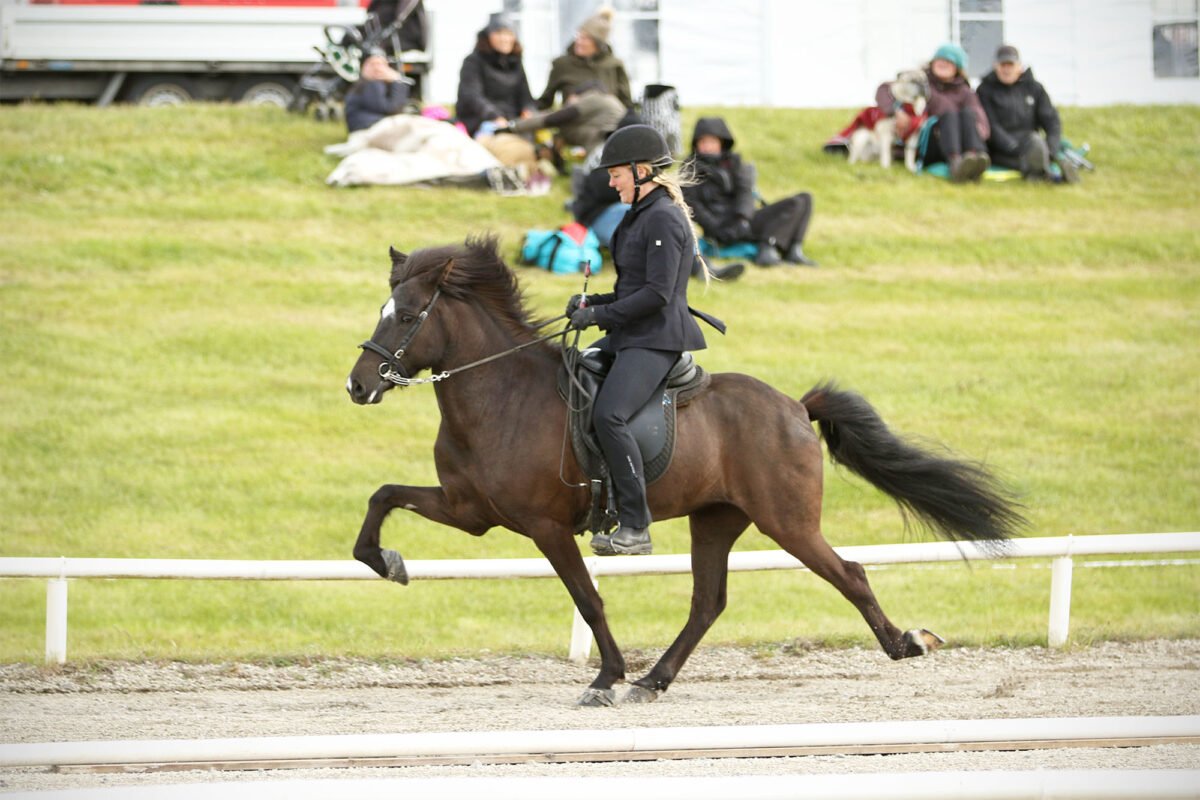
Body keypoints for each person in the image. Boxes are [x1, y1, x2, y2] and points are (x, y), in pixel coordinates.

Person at [564, 125, 723, 556]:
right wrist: (590, 301)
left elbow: (655, 296)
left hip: (655, 337)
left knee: (610, 415)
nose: (611, 182)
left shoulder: (662, 218)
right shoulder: (639, 214)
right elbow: (631, 287)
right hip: (630, 332)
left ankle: (635, 525)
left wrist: (597, 315)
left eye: (616, 174)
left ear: (642, 170)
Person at [682, 117, 817, 267]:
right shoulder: (689, 169)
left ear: (721, 142)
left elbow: (744, 191)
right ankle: (767, 249)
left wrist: (742, 218)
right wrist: (718, 229)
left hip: (744, 220)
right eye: (704, 142)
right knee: (794, 204)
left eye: (712, 142)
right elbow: (693, 206)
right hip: (721, 228)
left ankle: (793, 249)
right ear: (696, 144)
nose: (708, 147)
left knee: (805, 198)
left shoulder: (734, 162)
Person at [976, 44, 1077, 183]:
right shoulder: (984, 90)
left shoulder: (1035, 88)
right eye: (1002, 65)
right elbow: (991, 125)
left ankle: (1043, 171)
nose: (1006, 69)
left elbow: (1052, 122)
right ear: (995, 66)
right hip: (1001, 148)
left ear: (1019, 66)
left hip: (1031, 143)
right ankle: (1054, 178)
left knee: (1035, 144)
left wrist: (1051, 151)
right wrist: (1013, 147)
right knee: (1031, 152)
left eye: (1010, 64)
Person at [901, 43, 991, 182]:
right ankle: (955, 163)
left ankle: (975, 158)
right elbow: (887, 89)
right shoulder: (922, 83)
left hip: (961, 140)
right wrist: (894, 112)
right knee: (949, 116)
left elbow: (979, 117)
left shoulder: (965, 91)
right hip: (931, 141)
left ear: (957, 68)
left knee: (968, 114)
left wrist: (974, 130)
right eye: (940, 60)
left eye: (949, 62)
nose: (943, 64)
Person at [455, 13, 537, 139]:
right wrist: (495, 117)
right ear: (488, 36)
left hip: (512, 121)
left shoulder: (516, 63)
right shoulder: (473, 61)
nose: (505, 39)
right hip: (480, 121)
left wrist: (528, 111)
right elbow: (472, 96)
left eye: (509, 34)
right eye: (499, 33)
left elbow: (526, 96)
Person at [535, 7, 633, 111]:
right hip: (573, 124)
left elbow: (626, 104)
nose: (578, 41)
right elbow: (545, 101)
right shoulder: (562, 64)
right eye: (578, 36)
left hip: (610, 125)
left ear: (597, 43)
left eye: (585, 38)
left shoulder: (614, 65)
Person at [508, 80, 626, 155]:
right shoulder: (610, 100)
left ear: (576, 95)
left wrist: (514, 126)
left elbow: (554, 118)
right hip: (616, 144)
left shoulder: (591, 98)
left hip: (602, 145)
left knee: (563, 129)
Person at [343, 50, 411, 133]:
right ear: (364, 67)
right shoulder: (371, 84)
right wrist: (397, 81)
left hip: (368, 127)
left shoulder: (364, 84)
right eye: (372, 64)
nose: (377, 68)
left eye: (381, 64)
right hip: (368, 129)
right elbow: (392, 109)